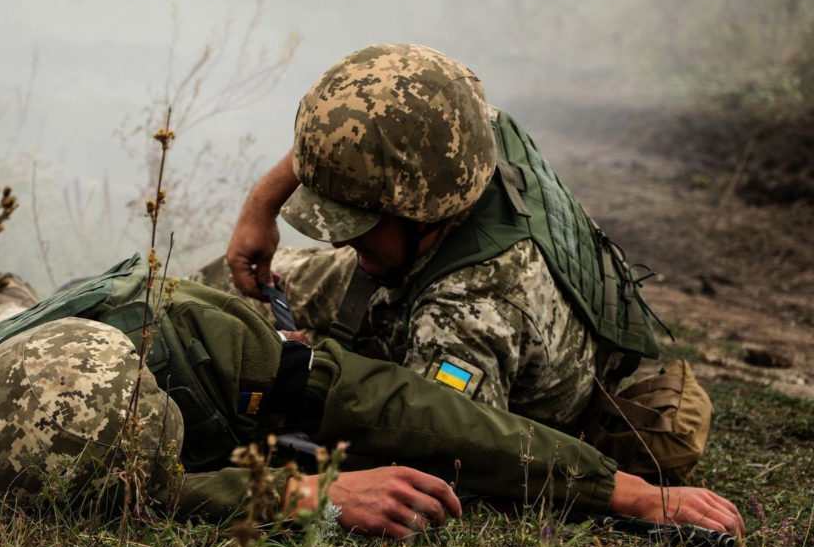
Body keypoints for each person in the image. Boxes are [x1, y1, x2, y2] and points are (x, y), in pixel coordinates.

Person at [0, 258, 742, 541]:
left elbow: (403, 407)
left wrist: (619, 488)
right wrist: (302, 493)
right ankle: (7, 301)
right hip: (10, 363)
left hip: (157, 323)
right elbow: (159, 492)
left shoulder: (212, 341)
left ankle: (13, 295)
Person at [202, 43, 710, 481]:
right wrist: (261, 208)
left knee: (248, 360)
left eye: (357, 222)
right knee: (219, 293)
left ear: (421, 207)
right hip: (419, 263)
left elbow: (435, 451)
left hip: (481, 355)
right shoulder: (456, 135)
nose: (338, 242)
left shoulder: (471, 311)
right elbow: (352, 138)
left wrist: (304, 377)